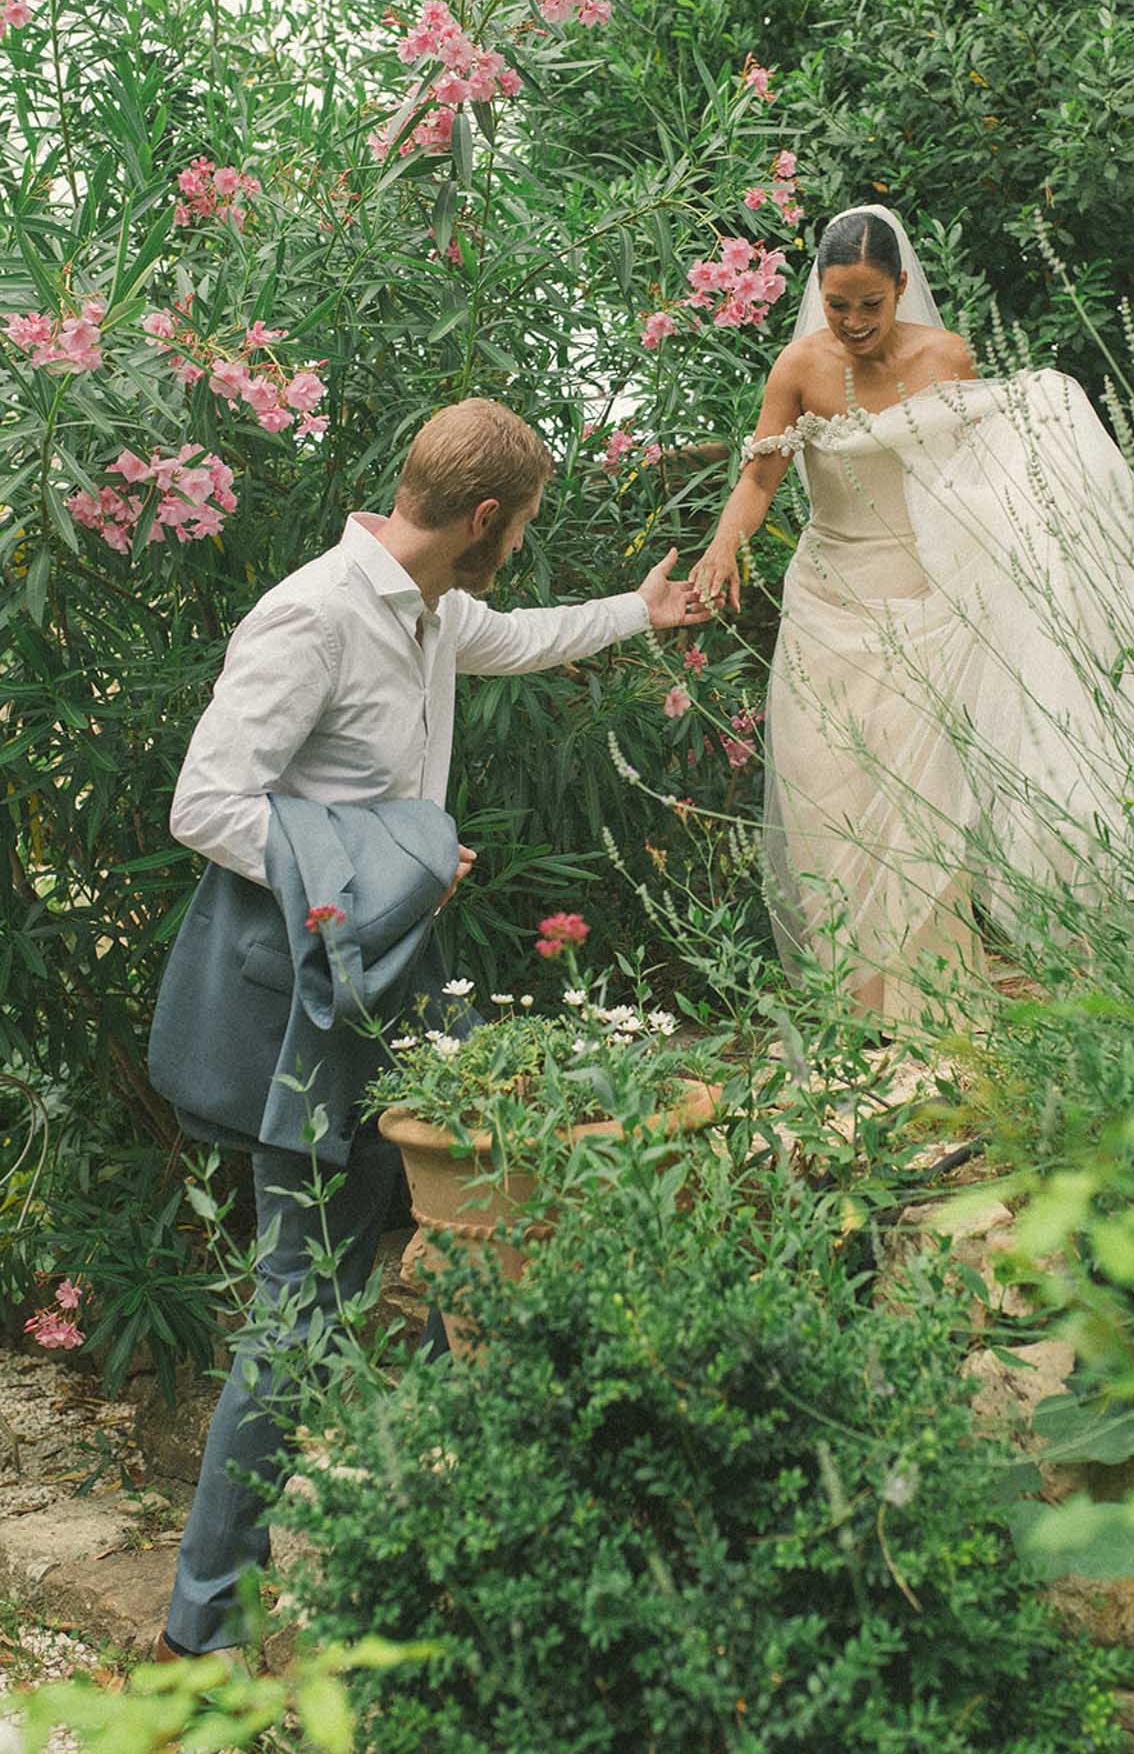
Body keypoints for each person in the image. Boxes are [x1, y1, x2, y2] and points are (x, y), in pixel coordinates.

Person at [153, 395, 702, 1661]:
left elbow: (507, 634)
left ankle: (464, 1554)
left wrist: (640, 612)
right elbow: (206, 804)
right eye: (526, 525)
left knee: (462, 1242)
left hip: (411, 986)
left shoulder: (437, 606)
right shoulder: (312, 613)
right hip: (303, 999)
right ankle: (203, 1621)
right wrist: (389, 859)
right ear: (486, 517)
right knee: (302, 1299)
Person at [690, 205, 1134, 1030]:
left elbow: (979, 481)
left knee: (920, 805)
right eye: (837, 303)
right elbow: (758, 480)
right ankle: (854, 1019)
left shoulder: (946, 358)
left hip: (927, 608)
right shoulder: (797, 367)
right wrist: (723, 549)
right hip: (828, 604)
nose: (853, 323)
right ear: (818, 295)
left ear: (901, 289)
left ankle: (934, 1012)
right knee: (832, 799)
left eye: (870, 304)